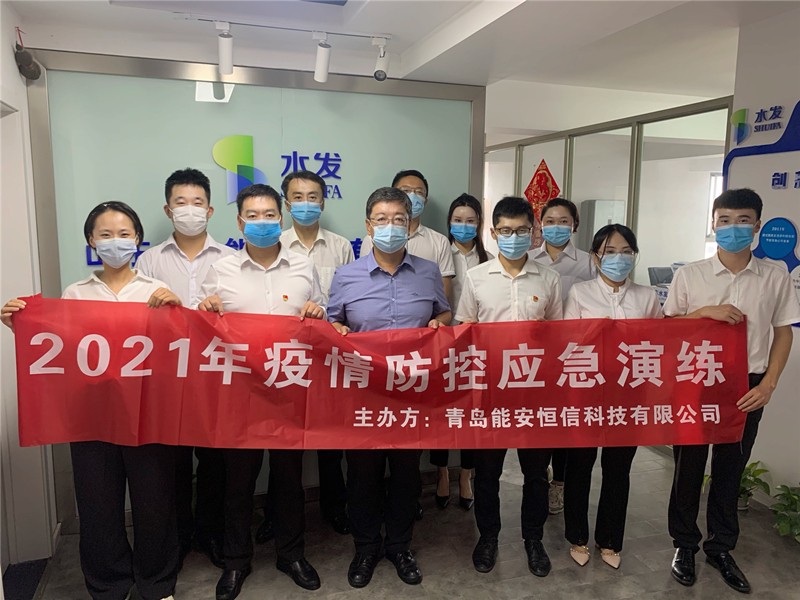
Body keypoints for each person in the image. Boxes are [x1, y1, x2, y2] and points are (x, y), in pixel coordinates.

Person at [2, 201, 181, 600]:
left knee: (154, 503)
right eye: (105, 234)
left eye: (124, 233)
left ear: (137, 238)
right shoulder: (75, 293)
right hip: (91, 417)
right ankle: (108, 586)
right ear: (91, 241)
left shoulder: (156, 291)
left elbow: (180, 351)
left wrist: (176, 310)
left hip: (146, 415)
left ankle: (157, 584)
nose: (115, 241)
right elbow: (61, 349)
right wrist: (22, 327)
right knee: (98, 505)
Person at [664, 188, 800, 594]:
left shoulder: (775, 277)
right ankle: (684, 545)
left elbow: (783, 332)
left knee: (730, 468)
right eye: (724, 220)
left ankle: (721, 548)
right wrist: (702, 313)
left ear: (757, 226)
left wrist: (770, 383)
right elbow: (667, 329)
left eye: (743, 221)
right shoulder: (691, 275)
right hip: (696, 382)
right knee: (688, 468)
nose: (733, 228)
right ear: (713, 224)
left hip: (748, 386)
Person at [198, 184, 326, 600]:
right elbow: (199, 329)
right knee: (238, 482)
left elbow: (320, 318)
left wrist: (318, 312)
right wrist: (206, 311)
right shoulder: (221, 270)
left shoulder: (303, 265)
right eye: (253, 216)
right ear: (240, 222)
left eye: (270, 215)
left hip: (290, 390)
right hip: (240, 394)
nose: (262, 222)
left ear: (281, 217)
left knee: (289, 479)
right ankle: (236, 561)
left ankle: (291, 555)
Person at [327, 186, 451, 589]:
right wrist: (337, 329)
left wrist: (439, 325)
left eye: (399, 219)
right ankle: (365, 547)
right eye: (382, 220)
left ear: (409, 224)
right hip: (362, 395)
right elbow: (331, 322)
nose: (391, 226)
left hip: (412, 395)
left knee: (406, 475)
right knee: (362, 474)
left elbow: (443, 314)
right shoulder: (346, 276)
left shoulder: (428, 272)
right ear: (368, 226)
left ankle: (399, 546)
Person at [456, 196, 562, 578]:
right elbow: (464, 330)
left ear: (533, 233)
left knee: (536, 474)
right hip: (490, 393)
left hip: (535, 393)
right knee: (488, 474)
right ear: (493, 232)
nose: (513, 237)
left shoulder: (549, 279)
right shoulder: (476, 278)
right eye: (505, 231)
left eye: (520, 231)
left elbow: (559, 336)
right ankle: (488, 537)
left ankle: (533, 539)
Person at [136, 167, 235, 570]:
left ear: (210, 210)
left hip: (215, 375)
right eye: (181, 202)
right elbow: (136, 321)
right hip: (167, 377)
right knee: (171, 464)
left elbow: (241, 319)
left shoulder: (230, 259)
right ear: (168, 209)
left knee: (215, 462)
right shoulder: (149, 260)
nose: (189, 210)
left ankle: (210, 534)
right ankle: (176, 538)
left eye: (197, 203)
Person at [562, 224, 662, 569]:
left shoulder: (647, 296)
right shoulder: (580, 293)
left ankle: (610, 540)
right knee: (580, 465)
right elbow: (567, 343)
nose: (619, 258)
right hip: (587, 393)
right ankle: (577, 537)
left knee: (618, 469)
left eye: (626, 252)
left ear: (634, 256)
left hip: (629, 395)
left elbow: (658, 343)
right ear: (595, 257)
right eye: (610, 252)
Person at [279, 169, 354, 536]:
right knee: (286, 442)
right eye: (297, 197)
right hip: (288, 355)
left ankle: (334, 507)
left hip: (331, 353)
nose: (305, 204)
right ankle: (279, 514)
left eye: (312, 197)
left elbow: (350, 297)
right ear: (286, 203)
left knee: (331, 439)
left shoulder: (341, 246)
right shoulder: (276, 243)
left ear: (323, 202)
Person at [530, 197, 595, 515]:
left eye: (564, 221)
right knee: (541, 420)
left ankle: (560, 483)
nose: (556, 227)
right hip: (535, 356)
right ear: (541, 225)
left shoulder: (588, 262)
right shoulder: (529, 259)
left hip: (575, 355)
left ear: (575, 226)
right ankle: (539, 476)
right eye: (550, 221)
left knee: (568, 421)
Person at [430, 193, 493, 511]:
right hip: (442, 344)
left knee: (472, 415)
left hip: (476, 349)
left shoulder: (489, 259)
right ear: (449, 222)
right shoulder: (441, 253)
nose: (464, 225)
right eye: (458, 220)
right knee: (441, 414)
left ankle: (466, 474)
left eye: (470, 220)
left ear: (479, 224)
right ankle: (442, 472)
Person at [359, 169, 455, 299]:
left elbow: (444, 295)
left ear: (425, 200)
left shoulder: (440, 242)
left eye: (419, 192)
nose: (412, 196)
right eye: (406, 191)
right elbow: (364, 281)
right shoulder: (372, 238)